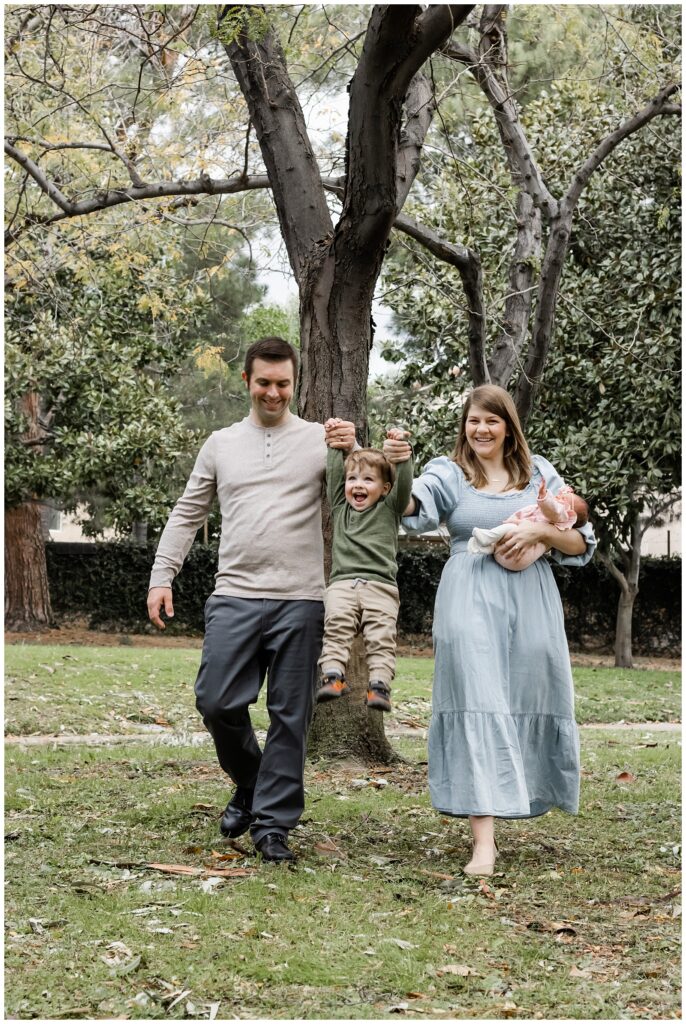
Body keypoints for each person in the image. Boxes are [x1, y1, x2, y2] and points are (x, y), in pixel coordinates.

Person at [147, 337, 356, 863]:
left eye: (283, 384)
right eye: (264, 382)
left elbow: (363, 494)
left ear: (294, 383)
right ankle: (251, 781)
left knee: (290, 717)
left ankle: (272, 828)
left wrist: (352, 450)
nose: (274, 392)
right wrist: (161, 574)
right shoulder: (220, 443)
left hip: (301, 600)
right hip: (235, 595)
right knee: (216, 701)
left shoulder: (319, 440)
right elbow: (187, 512)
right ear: (246, 381)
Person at [383, 384, 595, 877]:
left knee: (528, 693)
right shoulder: (449, 472)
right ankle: (484, 844)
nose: (481, 429)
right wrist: (399, 469)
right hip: (470, 592)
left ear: (508, 427)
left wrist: (541, 534)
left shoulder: (538, 472)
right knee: (477, 700)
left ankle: (526, 794)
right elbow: (413, 506)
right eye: (473, 420)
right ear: (465, 425)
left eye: (492, 421)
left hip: (532, 597)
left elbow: (579, 536)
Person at [316, 428, 413, 713]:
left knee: (381, 636)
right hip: (343, 584)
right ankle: (333, 676)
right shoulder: (339, 506)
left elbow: (404, 484)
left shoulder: (390, 508)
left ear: (384, 488)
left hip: (380, 586)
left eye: (368, 479)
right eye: (352, 479)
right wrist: (335, 444)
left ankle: (380, 686)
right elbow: (334, 474)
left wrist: (402, 453)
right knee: (335, 627)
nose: (358, 485)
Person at [468, 478, 589, 570]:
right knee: (510, 531)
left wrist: (544, 497)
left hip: (518, 556)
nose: (558, 497)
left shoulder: (560, 516)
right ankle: (489, 546)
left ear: (570, 514)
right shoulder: (551, 518)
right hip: (508, 557)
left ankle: (487, 537)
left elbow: (553, 509)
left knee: (510, 528)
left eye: (564, 499)